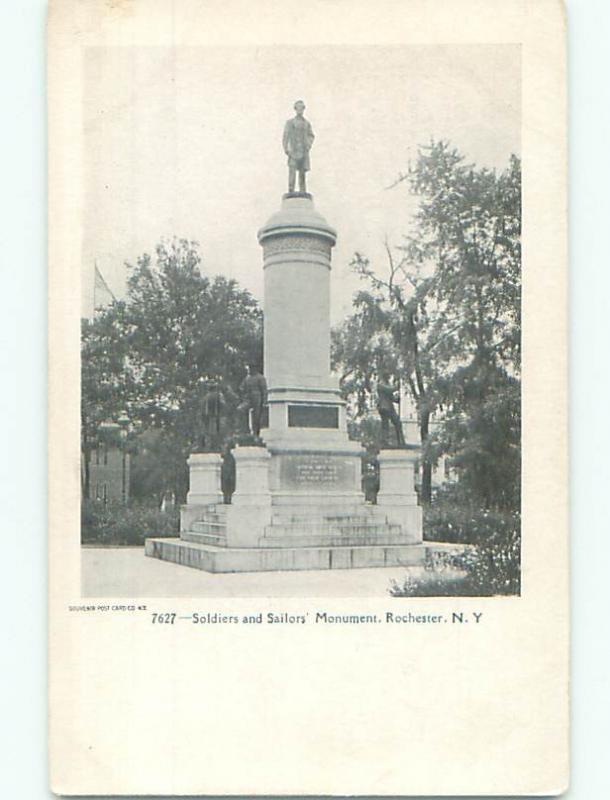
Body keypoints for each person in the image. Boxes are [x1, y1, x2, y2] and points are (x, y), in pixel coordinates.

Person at [283, 100, 315, 194]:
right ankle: (291, 190)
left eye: (301, 108)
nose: (300, 110)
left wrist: (308, 145)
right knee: (292, 170)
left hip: (303, 151)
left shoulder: (307, 123)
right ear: (295, 109)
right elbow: (286, 136)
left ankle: (302, 190)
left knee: (302, 172)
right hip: (293, 150)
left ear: (303, 109)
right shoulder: (290, 122)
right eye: (298, 108)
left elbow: (311, 135)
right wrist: (286, 148)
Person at [238, 364, 268, 438]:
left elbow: (264, 390)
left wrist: (264, 401)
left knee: (256, 417)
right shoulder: (247, 378)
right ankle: (246, 430)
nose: (249, 370)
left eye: (251, 368)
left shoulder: (260, 378)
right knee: (240, 409)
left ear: (255, 368)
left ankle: (256, 434)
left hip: (257, 398)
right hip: (248, 398)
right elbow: (242, 387)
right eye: (249, 368)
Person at [197, 380, 226, 452]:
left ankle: (210, 446)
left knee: (209, 432)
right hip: (215, 417)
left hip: (208, 417)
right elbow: (223, 405)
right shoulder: (219, 395)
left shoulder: (205, 397)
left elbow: (201, 408)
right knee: (214, 432)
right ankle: (214, 446)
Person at [377, 375, 405, 447]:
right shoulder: (381, 384)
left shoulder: (387, 384)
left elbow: (391, 397)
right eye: (387, 375)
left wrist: (397, 399)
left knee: (397, 422)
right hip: (384, 407)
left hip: (390, 407)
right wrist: (397, 386)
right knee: (385, 425)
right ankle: (384, 442)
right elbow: (390, 390)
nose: (389, 377)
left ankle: (400, 442)